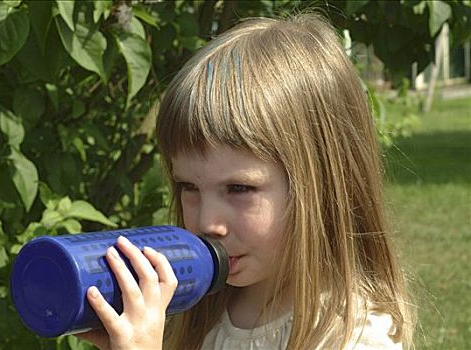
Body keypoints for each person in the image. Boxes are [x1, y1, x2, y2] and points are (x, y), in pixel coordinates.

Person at [76, 13, 415, 349]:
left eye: (239, 189)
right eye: (188, 187)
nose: (207, 222)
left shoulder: (353, 336)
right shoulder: (200, 309)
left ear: (321, 187)